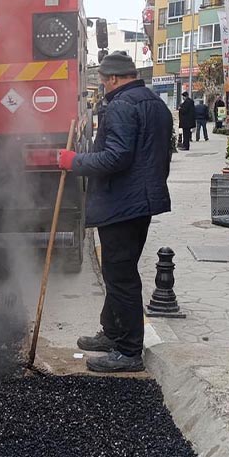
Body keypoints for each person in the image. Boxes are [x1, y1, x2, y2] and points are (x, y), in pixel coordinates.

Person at [57, 52, 172, 373]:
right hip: (140, 202)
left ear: (114, 79)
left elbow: (116, 157)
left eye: (104, 82)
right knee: (117, 271)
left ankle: (128, 351)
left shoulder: (121, 106)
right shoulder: (155, 104)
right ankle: (112, 331)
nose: (103, 88)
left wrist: (74, 162)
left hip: (122, 203)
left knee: (120, 277)